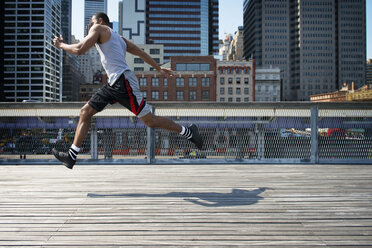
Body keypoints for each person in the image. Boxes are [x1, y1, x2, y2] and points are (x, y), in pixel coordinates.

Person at [52, 12, 203, 169]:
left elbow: (79, 49)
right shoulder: (120, 39)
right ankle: (71, 156)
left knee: (149, 120)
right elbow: (141, 53)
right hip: (113, 84)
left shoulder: (98, 28)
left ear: (100, 21)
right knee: (85, 112)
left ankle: (189, 132)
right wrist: (158, 68)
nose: (90, 27)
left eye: (91, 23)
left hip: (123, 82)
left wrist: (61, 45)